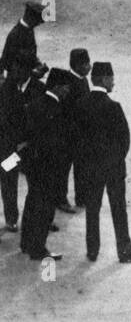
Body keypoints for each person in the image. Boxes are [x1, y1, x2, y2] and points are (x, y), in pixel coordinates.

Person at [79, 61, 131, 264]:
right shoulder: (113, 107)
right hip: (113, 169)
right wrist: (115, 161)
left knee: (92, 209)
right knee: (118, 210)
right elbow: (124, 140)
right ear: (104, 79)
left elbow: (76, 138)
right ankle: (125, 251)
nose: (114, 82)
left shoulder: (81, 104)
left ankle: (92, 250)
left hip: (90, 168)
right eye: (112, 78)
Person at [18, 69, 73, 260]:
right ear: (57, 87)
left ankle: (26, 243)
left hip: (32, 165)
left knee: (32, 202)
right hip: (48, 167)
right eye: (66, 87)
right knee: (45, 208)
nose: (68, 91)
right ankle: (38, 248)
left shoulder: (35, 104)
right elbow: (53, 143)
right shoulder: (55, 109)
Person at [0, 54, 40, 235]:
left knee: (10, 181)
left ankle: (11, 218)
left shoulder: (12, 88)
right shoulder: (10, 92)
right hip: (8, 147)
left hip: (9, 146)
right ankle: (11, 218)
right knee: (9, 181)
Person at [57, 48, 92, 212]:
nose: (89, 67)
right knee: (63, 169)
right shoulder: (68, 82)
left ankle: (82, 197)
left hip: (81, 134)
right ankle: (61, 199)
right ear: (77, 65)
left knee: (81, 166)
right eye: (86, 64)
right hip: (68, 135)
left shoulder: (83, 80)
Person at [1, 1, 45, 75]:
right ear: (31, 19)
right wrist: (33, 73)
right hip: (14, 79)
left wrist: (38, 64)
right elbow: (10, 65)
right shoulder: (15, 35)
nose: (39, 24)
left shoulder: (28, 30)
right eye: (37, 21)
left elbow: (28, 55)